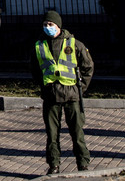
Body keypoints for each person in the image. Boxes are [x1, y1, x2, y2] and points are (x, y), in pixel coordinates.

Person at [33, 10, 93, 174]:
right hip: (51, 95)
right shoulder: (39, 45)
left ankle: (83, 163)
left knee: (77, 132)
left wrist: (81, 87)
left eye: (50, 24)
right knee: (52, 135)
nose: (47, 27)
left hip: (71, 95)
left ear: (58, 26)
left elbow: (88, 66)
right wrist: (43, 87)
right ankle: (54, 165)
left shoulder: (73, 43)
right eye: (45, 24)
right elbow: (35, 69)